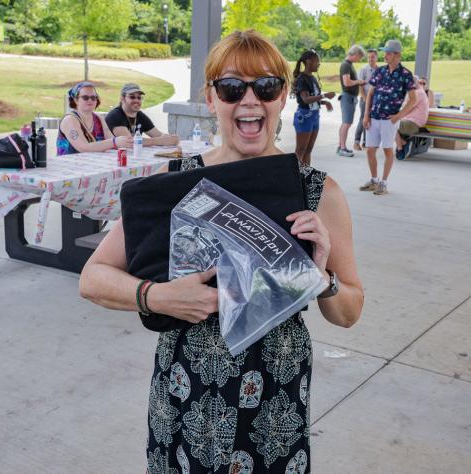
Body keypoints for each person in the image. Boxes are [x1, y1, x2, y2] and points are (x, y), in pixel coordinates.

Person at [79, 30, 363, 473]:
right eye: (232, 88)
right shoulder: (177, 184)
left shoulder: (317, 191)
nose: (249, 100)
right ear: (211, 99)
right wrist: (156, 296)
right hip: (185, 388)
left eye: (265, 86)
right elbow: (93, 277)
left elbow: (349, 311)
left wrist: (320, 278)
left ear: (283, 96)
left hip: (275, 394)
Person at [360, 40, 416, 195]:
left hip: (389, 120)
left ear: (397, 55)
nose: (385, 55)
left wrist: (399, 116)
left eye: (388, 53)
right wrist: (366, 115)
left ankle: (383, 183)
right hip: (373, 118)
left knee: (387, 150)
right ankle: (374, 180)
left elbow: (413, 100)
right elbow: (370, 93)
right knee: (370, 150)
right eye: (384, 52)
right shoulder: (379, 71)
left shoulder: (406, 75)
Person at [57, 82, 132, 156]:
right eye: (85, 97)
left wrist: (124, 141)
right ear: (76, 100)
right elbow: (83, 148)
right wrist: (114, 142)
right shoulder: (70, 120)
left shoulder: (98, 118)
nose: (90, 100)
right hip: (70, 166)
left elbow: (112, 140)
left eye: (93, 97)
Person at [292, 49, 335, 165]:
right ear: (308, 61)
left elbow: (312, 99)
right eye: (317, 61)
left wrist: (324, 102)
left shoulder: (313, 78)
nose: (319, 64)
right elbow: (305, 99)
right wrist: (324, 95)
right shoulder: (302, 79)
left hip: (314, 117)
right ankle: (294, 178)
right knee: (300, 150)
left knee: (308, 150)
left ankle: (306, 178)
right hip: (305, 117)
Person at [105, 83, 179, 146]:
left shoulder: (140, 115)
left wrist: (171, 138)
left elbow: (158, 135)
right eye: (132, 97)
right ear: (122, 99)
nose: (136, 100)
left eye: (139, 98)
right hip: (115, 158)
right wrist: (159, 140)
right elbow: (129, 141)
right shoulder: (115, 116)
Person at [337, 45, 366, 157]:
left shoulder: (349, 65)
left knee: (345, 123)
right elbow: (347, 82)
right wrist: (359, 81)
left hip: (350, 97)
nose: (360, 59)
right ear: (355, 54)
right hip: (348, 97)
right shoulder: (345, 65)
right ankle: (343, 148)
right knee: (347, 123)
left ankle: (341, 146)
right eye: (360, 57)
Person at [395, 75, 430, 159]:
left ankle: (401, 146)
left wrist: (397, 116)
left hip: (413, 123)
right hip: (411, 121)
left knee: (388, 125)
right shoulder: (416, 92)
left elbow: (407, 107)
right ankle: (403, 142)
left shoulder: (419, 93)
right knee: (388, 124)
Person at [354, 49, 378, 151]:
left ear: (376, 57)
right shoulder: (363, 69)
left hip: (375, 100)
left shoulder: (379, 70)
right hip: (365, 99)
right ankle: (356, 142)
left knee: (371, 121)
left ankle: (366, 142)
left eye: (372, 57)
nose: (370, 59)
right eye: (369, 57)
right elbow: (360, 86)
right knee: (363, 119)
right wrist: (364, 98)